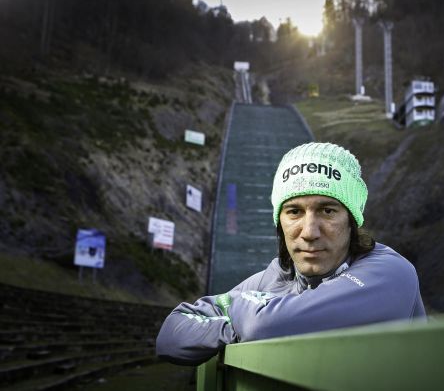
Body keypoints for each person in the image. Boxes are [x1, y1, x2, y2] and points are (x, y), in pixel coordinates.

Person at [156, 142, 426, 366]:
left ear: (351, 220)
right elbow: (171, 334)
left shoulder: (390, 272)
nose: (309, 231)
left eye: (327, 210)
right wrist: (238, 325)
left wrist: (241, 311)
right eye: (294, 211)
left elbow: (262, 326)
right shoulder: (275, 278)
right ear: (280, 221)